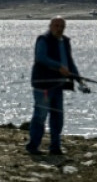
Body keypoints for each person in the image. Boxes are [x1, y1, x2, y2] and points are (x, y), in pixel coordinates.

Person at [26, 16, 90, 156]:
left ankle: (55, 147)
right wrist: (58, 67)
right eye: (56, 26)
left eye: (62, 26)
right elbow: (41, 58)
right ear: (50, 26)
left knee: (57, 117)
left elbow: (69, 63)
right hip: (43, 85)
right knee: (40, 116)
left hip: (58, 85)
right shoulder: (43, 39)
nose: (59, 29)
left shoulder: (65, 41)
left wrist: (79, 80)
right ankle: (33, 146)